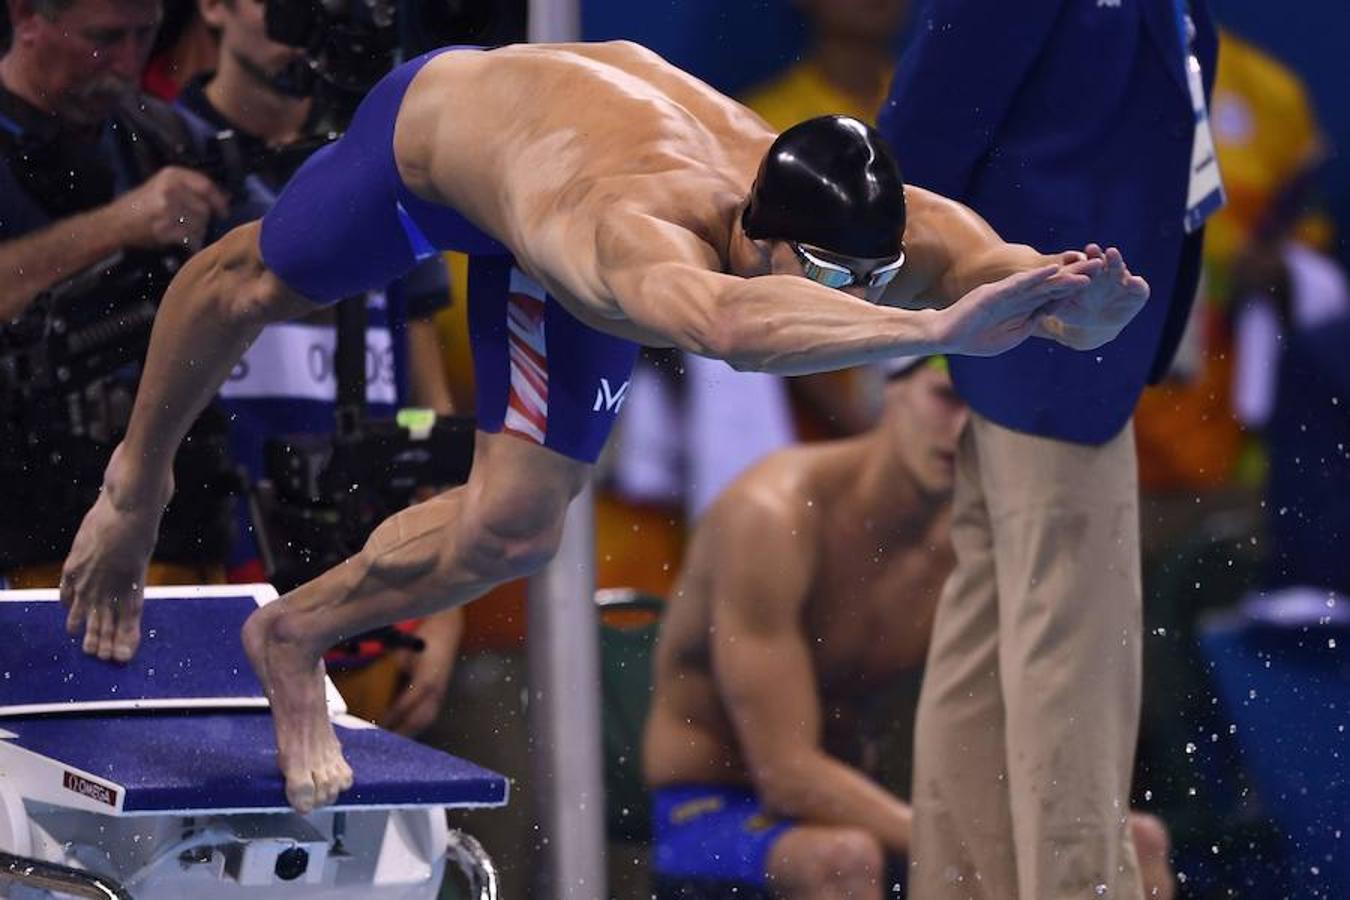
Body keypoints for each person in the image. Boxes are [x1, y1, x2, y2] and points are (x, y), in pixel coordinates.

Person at [59, 41, 1149, 813]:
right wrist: (951, 324)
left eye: (875, 282)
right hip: (445, 150)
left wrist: (1076, 308)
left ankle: (289, 637)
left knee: (518, 529)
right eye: (834, 284)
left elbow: (1009, 273)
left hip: (565, 233)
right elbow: (730, 323)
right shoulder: (634, 228)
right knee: (248, 281)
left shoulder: (874, 227)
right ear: (755, 234)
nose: (866, 299)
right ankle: (131, 486)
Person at [878, 2, 1220, 897]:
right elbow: (919, 136)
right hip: (1048, 335)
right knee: (1073, 669)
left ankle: (960, 883)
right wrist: (919, 296)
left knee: (991, 651)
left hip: (1078, 340)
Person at [643, 358, 1176, 900]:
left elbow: (1020, 722)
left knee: (1136, 840)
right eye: (946, 398)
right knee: (843, 860)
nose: (964, 428)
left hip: (870, 799)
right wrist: (962, 841)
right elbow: (785, 773)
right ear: (888, 392)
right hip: (713, 807)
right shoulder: (773, 517)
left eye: (982, 409)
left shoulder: (969, 539)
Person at [175, 0, 462, 737]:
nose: (302, 23)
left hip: (361, 578)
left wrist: (448, 604)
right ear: (214, 6)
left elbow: (428, 413)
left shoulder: (391, 165)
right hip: (205, 569)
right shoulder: (162, 155)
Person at [0, 0, 233, 588]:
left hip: (169, 529)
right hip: (18, 530)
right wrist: (117, 225)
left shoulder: (171, 139)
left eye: (145, 33)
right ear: (27, 17)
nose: (128, 60)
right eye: (105, 37)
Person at [741, 0, 909, 441]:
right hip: (808, 398)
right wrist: (862, 425)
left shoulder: (936, 114)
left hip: (927, 378)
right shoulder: (759, 123)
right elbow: (760, 286)